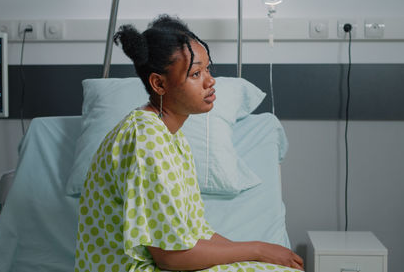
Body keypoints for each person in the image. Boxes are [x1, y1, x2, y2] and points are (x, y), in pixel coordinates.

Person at [74, 15, 304, 272]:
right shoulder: (146, 139)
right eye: (196, 73)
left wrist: (254, 256)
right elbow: (170, 257)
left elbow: (195, 232)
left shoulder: (170, 136)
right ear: (159, 83)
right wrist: (258, 249)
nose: (210, 81)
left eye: (208, 69)